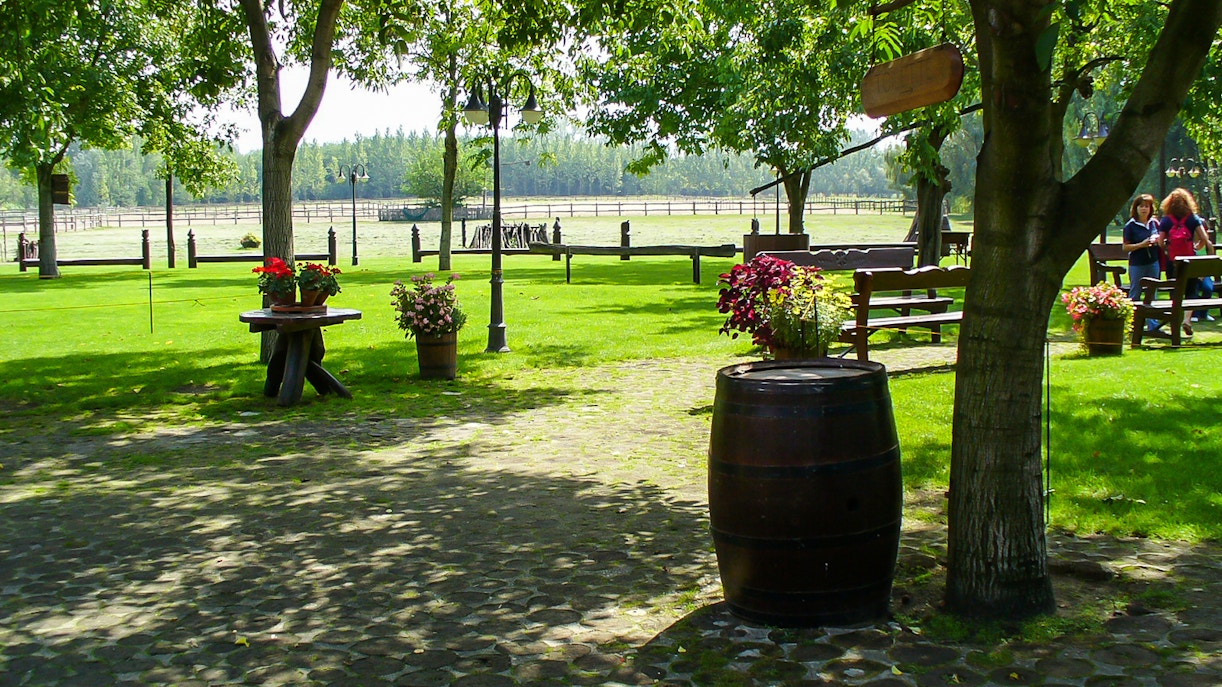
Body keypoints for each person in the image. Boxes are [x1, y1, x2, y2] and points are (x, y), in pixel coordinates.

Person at [1157, 188, 1214, 336]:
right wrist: (1196, 247)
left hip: (1173, 261)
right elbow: (1204, 238)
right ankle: (1187, 320)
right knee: (1191, 290)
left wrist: (1167, 249)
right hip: (1190, 260)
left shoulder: (1166, 220)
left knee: (1174, 289)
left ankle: (1174, 319)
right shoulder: (1192, 218)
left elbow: (1160, 241)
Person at [1122, 194, 1162, 331]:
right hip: (1137, 264)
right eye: (1141, 206)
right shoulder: (1130, 226)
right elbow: (1125, 247)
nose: (1144, 209)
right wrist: (1141, 245)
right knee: (1135, 293)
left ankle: (1153, 325)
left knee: (1153, 293)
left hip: (1153, 262)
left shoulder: (1154, 223)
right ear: (1136, 208)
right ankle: (1132, 325)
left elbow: (1163, 238)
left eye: (1147, 206)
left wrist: (1158, 240)